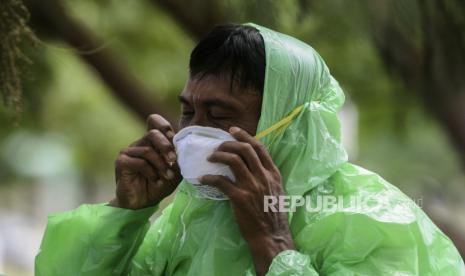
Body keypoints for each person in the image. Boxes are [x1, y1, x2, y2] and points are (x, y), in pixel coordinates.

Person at [35, 23, 465, 275]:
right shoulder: (190, 215)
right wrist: (125, 216)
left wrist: (273, 244)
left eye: (221, 115)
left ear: (293, 123)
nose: (195, 133)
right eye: (188, 112)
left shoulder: (373, 219)